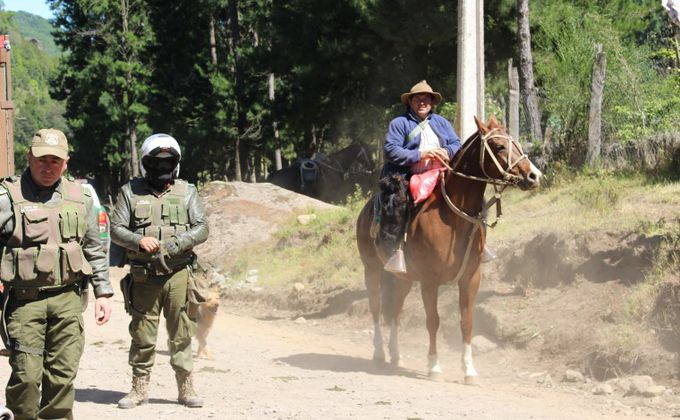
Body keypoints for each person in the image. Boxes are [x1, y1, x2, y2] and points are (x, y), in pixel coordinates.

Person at [0, 128, 113, 420]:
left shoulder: (81, 197)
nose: (48, 167)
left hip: (68, 299)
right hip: (25, 302)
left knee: (62, 377)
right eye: (41, 160)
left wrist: (103, 292)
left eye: (55, 160)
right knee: (26, 377)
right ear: (29, 158)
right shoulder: (7, 196)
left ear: (66, 162)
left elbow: (93, 247)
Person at [110, 133, 209, 409]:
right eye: (156, 163)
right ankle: (139, 388)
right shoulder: (130, 192)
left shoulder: (187, 191)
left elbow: (202, 227)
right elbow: (116, 229)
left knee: (182, 333)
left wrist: (179, 242)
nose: (162, 168)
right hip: (144, 276)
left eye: (168, 163)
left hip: (178, 274)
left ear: (176, 164)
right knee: (142, 333)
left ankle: (186, 387)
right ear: (146, 163)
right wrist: (137, 240)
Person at [379, 80, 495, 270]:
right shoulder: (399, 123)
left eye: (427, 99)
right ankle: (396, 251)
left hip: (439, 171)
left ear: (432, 102)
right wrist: (421, 154)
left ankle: (479, 245)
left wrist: (444, 151)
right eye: (418, 99)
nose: (422, 102)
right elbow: (391, 151)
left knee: (477, 201)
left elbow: (456, 145)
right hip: (407, 174)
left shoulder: (441, 122)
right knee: (397, 203)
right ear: (410, 101)